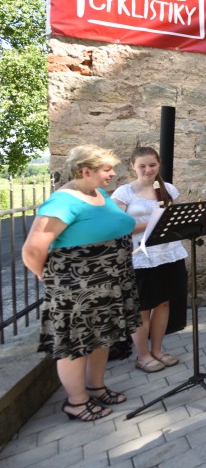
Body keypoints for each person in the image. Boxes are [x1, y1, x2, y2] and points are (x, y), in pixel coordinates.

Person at [22, 145, 141, 421]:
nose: (112, 174)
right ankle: (76, 402)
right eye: (107, 169)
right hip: (76, 288)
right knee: (75, 346)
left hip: (110, 283)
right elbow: (32, 250)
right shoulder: (63, 202)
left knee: (102, 337)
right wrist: (48, 278)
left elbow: (117, 225)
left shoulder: (98, 194)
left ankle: (96, 387)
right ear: (86, 171)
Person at [112, 147, 188, 373]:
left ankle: (157, 350)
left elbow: (175, 220)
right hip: (141, 256)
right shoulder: (123, 193)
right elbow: (120, 227)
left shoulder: (169, 189)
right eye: (142, 166)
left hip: (168, 253)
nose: (148, 170)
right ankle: (142, 355)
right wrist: (156, 221)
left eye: (152, 165)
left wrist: (168, 220)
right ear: (132, 167)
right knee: (142, 308)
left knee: (163, 303)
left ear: (159, 165)